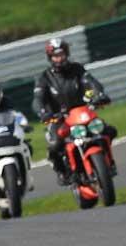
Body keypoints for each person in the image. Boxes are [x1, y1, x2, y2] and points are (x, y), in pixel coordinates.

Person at [32, 38, 116, 185]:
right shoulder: (45, 77)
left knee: (109, 131)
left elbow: (91, 82)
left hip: (82, 113)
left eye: (62, 54)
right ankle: (62, 172)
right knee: (55, 145)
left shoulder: (77, 69)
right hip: (59, 118)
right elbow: (38, 98)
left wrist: (99, 95)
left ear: (67, 54)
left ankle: (109, 162)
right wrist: (43, 113)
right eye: (55, 56)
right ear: (50, 58)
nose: (59, 58)